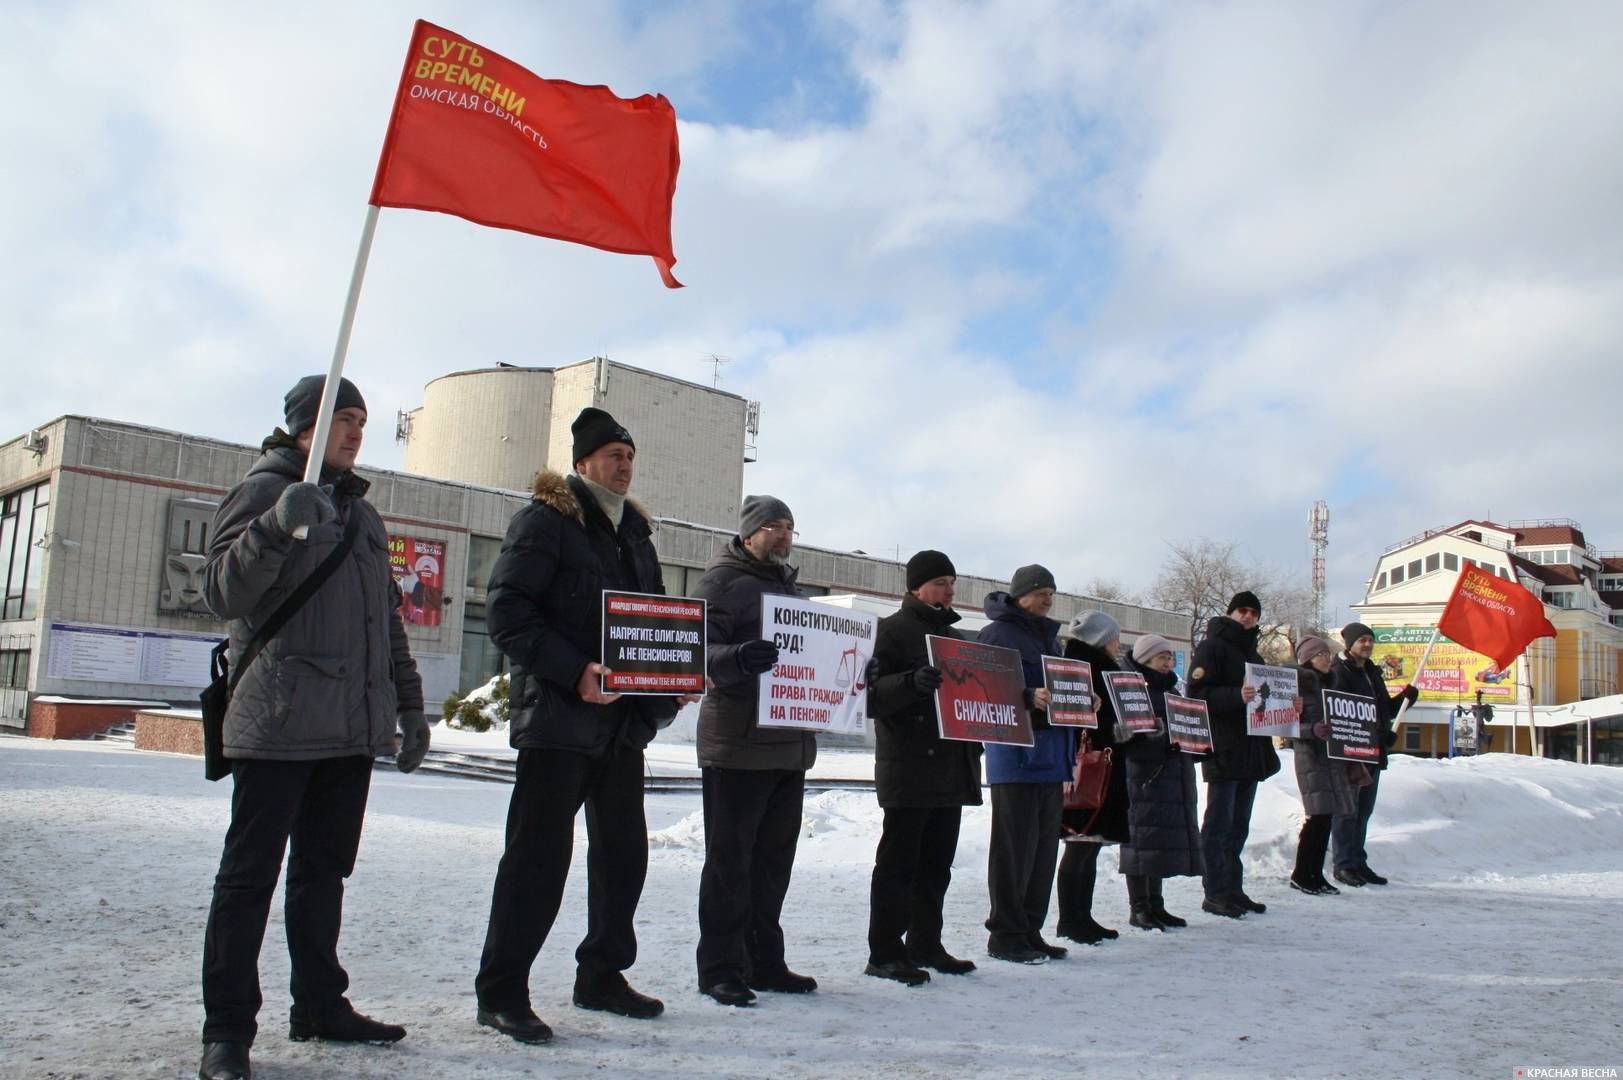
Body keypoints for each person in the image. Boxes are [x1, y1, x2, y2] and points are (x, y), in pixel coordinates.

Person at [198, 375, 428, 1080]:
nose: (355, 432)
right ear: (303, 426)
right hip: (280, 720)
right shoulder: (265, 490)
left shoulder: (363, 515)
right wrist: (273, 528)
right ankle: (228, 1034)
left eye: (360, 419)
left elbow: (383, 621)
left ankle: (319, 1004)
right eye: (340, 419)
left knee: (323, 874)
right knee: (249, 880)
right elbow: (220, 594)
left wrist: (410, 704)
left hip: (351, 730)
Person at [474, 408, 694, 1045]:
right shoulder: (547, 521)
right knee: (537, 861)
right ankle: (502, 992)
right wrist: (575, 672)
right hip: (558, 723)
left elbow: (652, 627)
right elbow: (508, 613)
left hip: (621, 729)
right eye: (612, 455)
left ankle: (601, 975)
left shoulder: (637, 538)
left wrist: (669, 686)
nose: (625, 465)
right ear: (581, 464)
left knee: (624, 857)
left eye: (630, 455)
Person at [692, 496, 818, 1007]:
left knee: (771, 866)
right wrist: (737, 657)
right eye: (772, 526)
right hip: (737, 747)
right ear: (748, 534)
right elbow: (693, 648)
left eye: (789, 526)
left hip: (788, 750)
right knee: (730, 866)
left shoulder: (792, 591)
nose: (783, 534)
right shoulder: (723, 582)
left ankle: (764, 961)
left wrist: (854, 676)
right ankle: (720, 968)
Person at [864, 551, 983, 986]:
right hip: (909, 766)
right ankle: (885, 952)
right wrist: (910, 684)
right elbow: (870, 696)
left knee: (936, 864)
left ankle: (926, 944)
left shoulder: (955, 637)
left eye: (952, 582)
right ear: (916, 587)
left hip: (950, 765)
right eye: (940, 582)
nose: (949, 590)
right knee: (898, 865)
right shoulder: (891, 631)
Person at [979, 565, 1073, 964]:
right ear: (1019, 595)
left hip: (1051, 757)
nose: (1047, 599)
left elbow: (1065, 688)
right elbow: (983, 689)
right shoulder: (998, 635)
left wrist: (1086, 703)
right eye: (1039, 592)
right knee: (1014, 849)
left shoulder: (1050, 639)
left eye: (1051, 592)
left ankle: (1031, 928)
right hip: (1015, 758)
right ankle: (1005, 933)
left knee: (1043, 850)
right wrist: (1025, 696)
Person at [1187, 590, 1281, 919]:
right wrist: (1235, 696)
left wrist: (1289, 708)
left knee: (1239, 825)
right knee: (1219, 823)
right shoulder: (1212, 647)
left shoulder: (1254, 656)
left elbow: (1268, 700)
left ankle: (1233, 888)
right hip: (1224, 747)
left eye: (1253, 613)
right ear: (1230, 613)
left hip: (1251, 750)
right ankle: (1214, 892)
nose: (1247, 617)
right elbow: (1196, 693)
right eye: (1242, 610)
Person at [1053, 612, 1130, 944]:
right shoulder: (1087, 668)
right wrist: (1113, 728)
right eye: (1114, 637)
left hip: (1103, 764)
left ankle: (1082, 916)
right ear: (1101, 639)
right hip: (1089, 766)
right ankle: (1071, 919)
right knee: (1080, 843)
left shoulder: (1101, 667)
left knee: (1090, 846)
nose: (1118, 643)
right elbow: (1080, 716)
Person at [1120, 632, 1203, 929]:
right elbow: (1130, 740)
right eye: (1161, 657)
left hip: (1172, 775)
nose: (1168, 662)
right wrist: (1162, 738)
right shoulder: (1132, 690)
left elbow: (1188, 731)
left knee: (1160, 843)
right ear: (1145, 660)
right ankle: (1139, 906)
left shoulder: (1174, 693)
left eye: (1169, 656)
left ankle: (1156, 903)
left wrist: (1199, 743)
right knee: (1141, 842)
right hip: (1144, 777)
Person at [1329, 623, 1415, 887]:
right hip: (1350, 753)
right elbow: (1342, 712)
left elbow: (1383, 710)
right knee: (1347, 811)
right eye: (1362, 640)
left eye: (1370, 640)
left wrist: (1405, 700)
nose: (1367, 644)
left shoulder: (1372, 672)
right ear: (1349, 643)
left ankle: (1357, 861)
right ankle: (1343, 864)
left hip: (1373, 752)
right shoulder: (1339, 672)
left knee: (1364, 810)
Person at [1289, 636, 1355, 896]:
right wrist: (1311, 730)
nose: (1327, 658)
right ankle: (1302, 874)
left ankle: (1316, 874)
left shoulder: (1329, 685)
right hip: (1311, 759)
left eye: (1328, 654)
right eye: (1320, 655)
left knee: (1326, 817)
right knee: (1316, 818)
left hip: (1331, 758)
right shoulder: (1297, 687)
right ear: (1308, 659)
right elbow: (1284, 724)